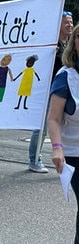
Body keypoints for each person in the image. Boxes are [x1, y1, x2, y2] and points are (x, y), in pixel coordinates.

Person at [29, 11, 73, 173]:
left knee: (69, 126)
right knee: (42, 127)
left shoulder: (71, 43)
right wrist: (49, 53)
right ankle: (34, 159)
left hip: (69, 91)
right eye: (66, 22)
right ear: (58, 25)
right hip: (51, 91)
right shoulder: (51, 44)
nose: (69, 25)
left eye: (71, 22)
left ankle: (68, 160)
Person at [47, 23, 79, 243]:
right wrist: (57, 149)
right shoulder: (65, 77)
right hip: (75, 153)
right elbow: (54, 118)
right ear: (74, 44)